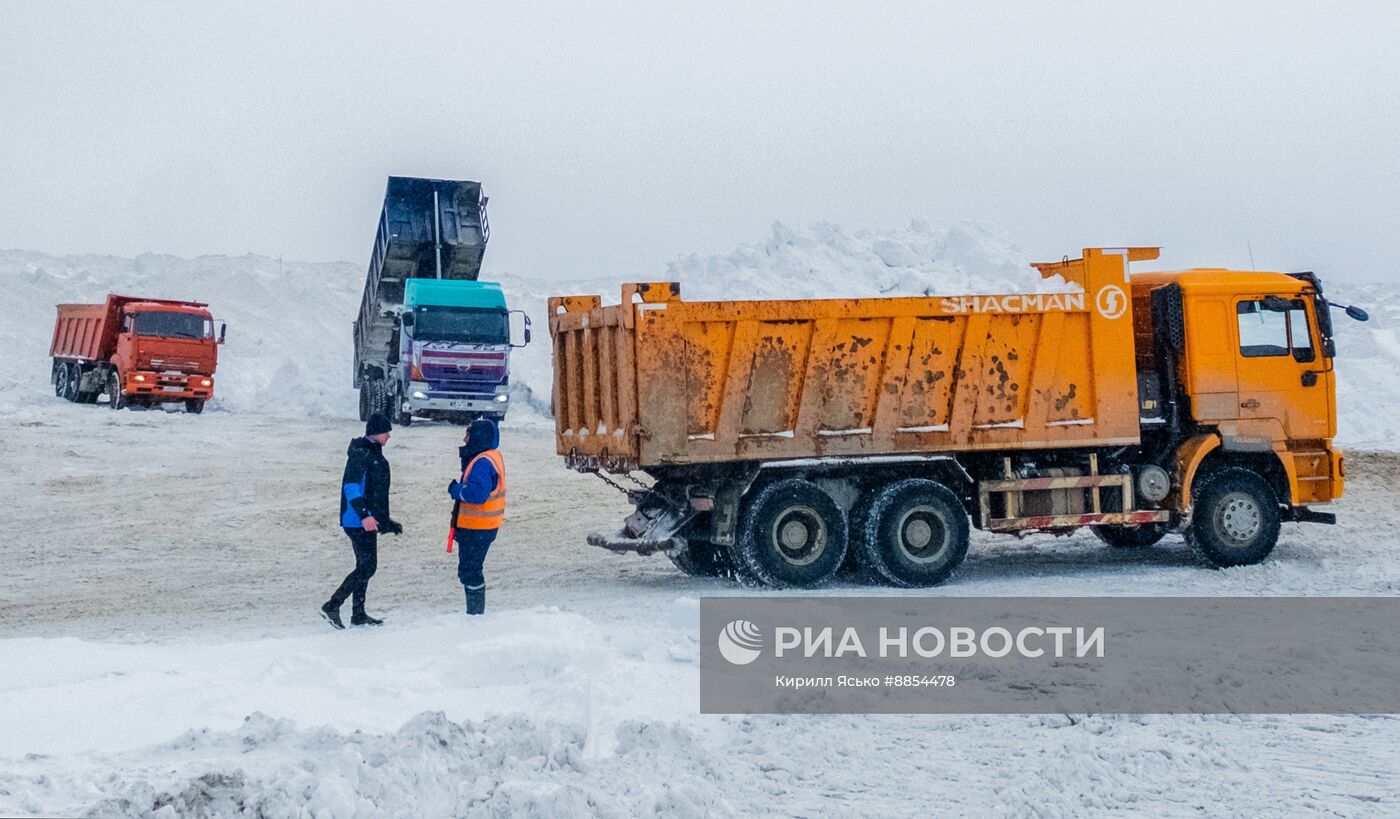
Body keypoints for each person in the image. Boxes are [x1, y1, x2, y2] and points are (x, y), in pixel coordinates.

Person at [321, 412, 403, 629]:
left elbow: (374, 491)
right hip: (356, 521)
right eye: (387, 432)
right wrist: (364, 515)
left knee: (364, 565)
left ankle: (358, 614)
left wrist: (385, 522)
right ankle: (332, 605)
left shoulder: (372, 453)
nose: (389, 436)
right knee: (367, 567)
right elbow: (351, 487)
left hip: (366, 520)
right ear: (376, 433)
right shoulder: (361, 454)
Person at [447, 417, 505, 615]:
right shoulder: (491, 457)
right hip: (484, 526)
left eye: (468, 435)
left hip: (476, 527)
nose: (464, 439)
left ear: (478, 437)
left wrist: (456, 490)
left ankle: (475, 614)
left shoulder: (481, 462)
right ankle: (474, 612)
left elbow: (476, 495)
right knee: (472, 569)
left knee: (470, 571)